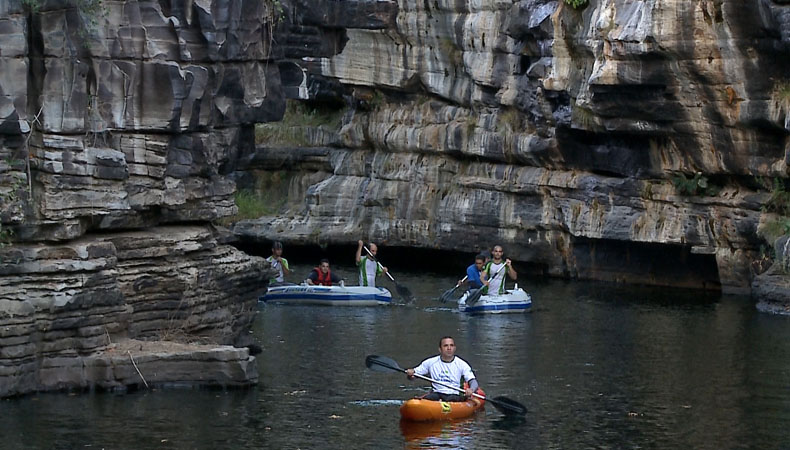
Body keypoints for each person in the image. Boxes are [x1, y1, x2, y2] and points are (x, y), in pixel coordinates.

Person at [406, 336, 479, 402]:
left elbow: (473, 381)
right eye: (445, 346)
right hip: (437, 393)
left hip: (454, 394)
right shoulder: (430, 362)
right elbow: (413, 376)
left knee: (451, 399)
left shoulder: (462, 364)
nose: (449, 348)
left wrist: (471, 389)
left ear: (454, 348)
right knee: (430, 398)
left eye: (451, 345)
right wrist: (410, 374)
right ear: (440, 349)